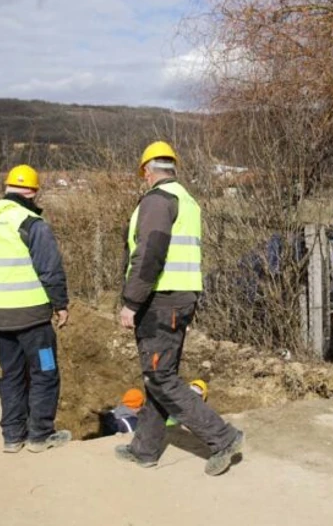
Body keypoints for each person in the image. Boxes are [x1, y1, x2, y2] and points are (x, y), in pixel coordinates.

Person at [115, 142, 244, 476]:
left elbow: (149, 254)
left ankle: (223, 437)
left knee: (160, 376)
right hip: (179, 296)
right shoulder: (186, 199)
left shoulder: (158, 200)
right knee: (158, 375)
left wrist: (131, 302)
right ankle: (144, 449)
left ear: (147, 170)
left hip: (162, 299)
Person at [0, 164, 72, 453]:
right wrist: (61, 305)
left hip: (1, 319)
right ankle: (40, 435)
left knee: (12, 375)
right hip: (34, 321)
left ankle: (13, 437)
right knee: (45, 372)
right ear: (31, 191)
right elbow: (50, 270)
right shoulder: (31, 223)